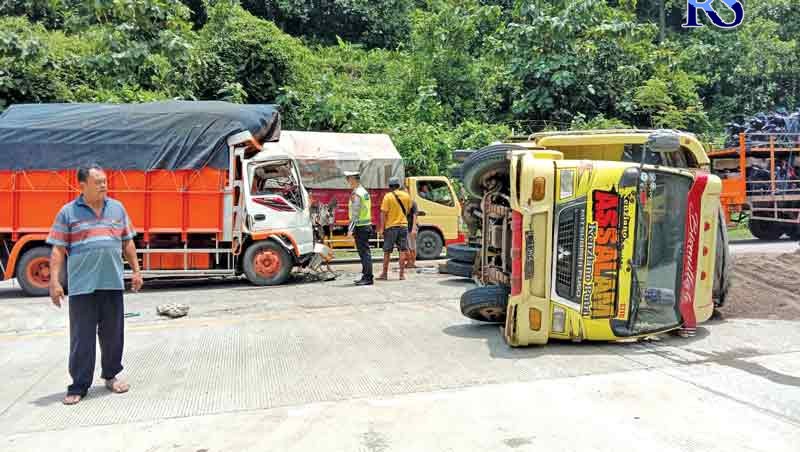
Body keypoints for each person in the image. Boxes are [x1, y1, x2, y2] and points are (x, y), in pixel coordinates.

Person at [47, 164, 143, 405]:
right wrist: (54, 281)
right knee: (82, 337)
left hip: (111, 282)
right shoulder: (68, 213)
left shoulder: (117, 208)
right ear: (82, 185)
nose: (104, 185)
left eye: (105, 181)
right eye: (98, 181)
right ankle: (79, 385)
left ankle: (111, 376)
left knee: (113, 334)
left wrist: (136, 271)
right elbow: (58, 249)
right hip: (82, 286)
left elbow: (127, 243)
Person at [378, 177, 412, 280]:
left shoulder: (388, 197)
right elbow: (408, 210)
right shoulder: (407, 196)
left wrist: (382, 228)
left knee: (387, 251)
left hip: (391, 227)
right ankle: (401, 275)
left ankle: (384, 274)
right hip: (403, 226)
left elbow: (383, 214)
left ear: (390, 186)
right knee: (402, 250)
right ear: (399, 185)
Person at [345, 171, 373, 286]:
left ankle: (368, 278)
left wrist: (350, 229)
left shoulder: (357, 194)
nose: (347, 181)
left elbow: (355, 213)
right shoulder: (363, 192)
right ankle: (366, 276)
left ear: (353, 179)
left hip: (360, 227)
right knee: (365, 253)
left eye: (348, 179)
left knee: (364, 253)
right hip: (365, 226)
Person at [406, 198, 419, 268]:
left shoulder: (412, 203)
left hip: (411, 227)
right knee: (407, 246)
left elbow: (415, 216)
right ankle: (409, 262)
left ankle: (412, 263)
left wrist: (413, 228)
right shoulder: (406, 202)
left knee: (412, 246)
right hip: (406, 226)